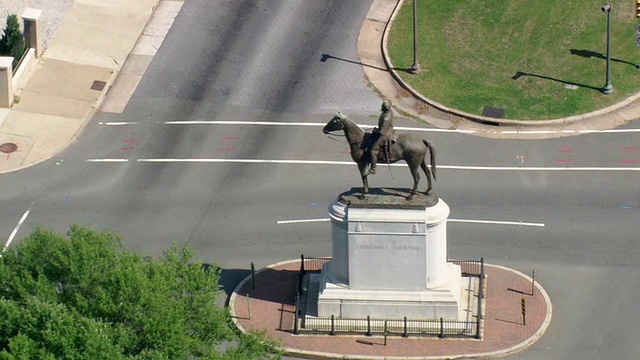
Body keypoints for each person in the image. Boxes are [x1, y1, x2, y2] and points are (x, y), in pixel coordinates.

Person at [365, 100, 394, 175]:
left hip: (384, 135)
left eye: (382, 106)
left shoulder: (386, 118)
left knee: (373, 151)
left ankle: (373, 169)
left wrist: (375, 130)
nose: (381, 107)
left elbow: (381, 132)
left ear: (385, 108)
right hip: (388, 129)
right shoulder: (389, 111)